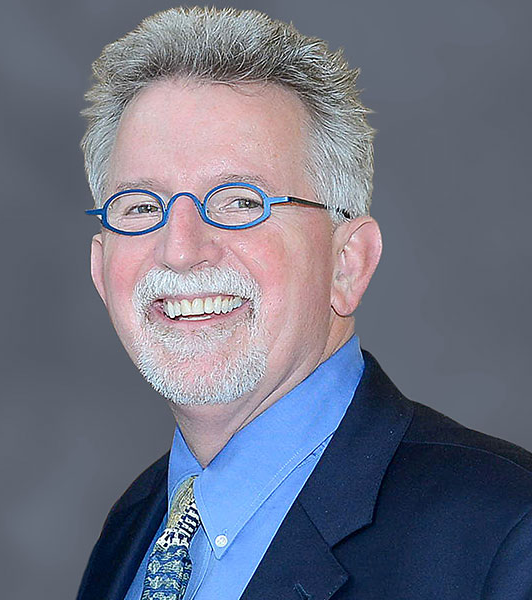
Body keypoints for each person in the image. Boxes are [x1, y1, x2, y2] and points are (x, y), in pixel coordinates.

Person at [76, 7, 532, 600]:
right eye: (141, 207)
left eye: (240, 201)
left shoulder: (506, 534)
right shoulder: (131, 529)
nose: (180, 250)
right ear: (100, 269)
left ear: (347, 263)